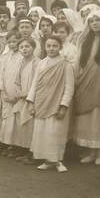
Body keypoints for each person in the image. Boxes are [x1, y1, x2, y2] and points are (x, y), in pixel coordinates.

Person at [27, 36, 74, 173]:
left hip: (56, 103)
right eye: (49, 46)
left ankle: (57, 161)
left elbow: (69, 88)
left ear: (60, 47)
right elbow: (35, 84)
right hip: (41, 102)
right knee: (42, 132)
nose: (51, 48)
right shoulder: (41, 63)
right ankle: (47, 160)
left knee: (54, 132)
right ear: (45, 47)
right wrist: (31, 102)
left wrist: (63, 106)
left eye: (55, 46)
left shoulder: (66, 65)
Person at [73, 10, 100, 165]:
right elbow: (79, 62)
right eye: (92, 21)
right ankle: (91, 152)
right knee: (89, 118)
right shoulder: (85, 41)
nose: (95, 23)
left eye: (98, 20)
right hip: (87, 82)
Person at [0, 31, 23, 157]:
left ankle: (17, 146)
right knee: (7, 120)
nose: (12, 44)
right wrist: (4, 91)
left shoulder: (22, 56)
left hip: (17, 93)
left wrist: (17, 94)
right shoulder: (6, 57)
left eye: (15, 41)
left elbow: (22, 76)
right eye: (10, 42)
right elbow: (1, 74)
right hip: (7, 92)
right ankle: (8, 144)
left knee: (16, 120)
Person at [14, 38, 40, 164]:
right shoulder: (21, 62)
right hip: (22, 97)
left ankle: (34, 154)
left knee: (32, 126)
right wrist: (19, 92)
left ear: (33, 48)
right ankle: (26, 152)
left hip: (32, 98)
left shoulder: (37, 63)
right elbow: (17, 80)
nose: (24, 49)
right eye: (22, 47)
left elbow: (38, 82)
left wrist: (28, 94)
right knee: (24, 126)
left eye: (27, 46)